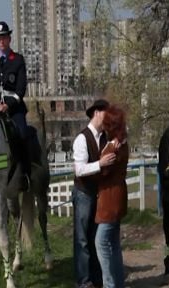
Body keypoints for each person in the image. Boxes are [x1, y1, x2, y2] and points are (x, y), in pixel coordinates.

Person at [72, 99, 117, 288]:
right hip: (83, 193)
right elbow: (79, 170)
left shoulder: (105, 138)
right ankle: (84, 281)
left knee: (94, 237)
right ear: (97, 113)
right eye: (106, 113)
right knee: (82, 238)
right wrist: (101, 164)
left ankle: (95, 278)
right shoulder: (82, 138)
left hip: (96, 194)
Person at [0, 21, 30, 191]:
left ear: (9, 38)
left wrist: (8, 106)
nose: (1, 41)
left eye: (3, 37)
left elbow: (20, 89)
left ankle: (25, 174)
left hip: (15, 110)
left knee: (23, 134)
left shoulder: (17, 60)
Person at [95, 105, 129, 288]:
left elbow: (100, 173)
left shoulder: (112, 148)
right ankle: (119, 283)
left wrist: (96, 163)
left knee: (100, 243)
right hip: (119, 198)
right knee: (114, 243)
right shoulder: (123, 144)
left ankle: (109, 284)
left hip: (109, 201)